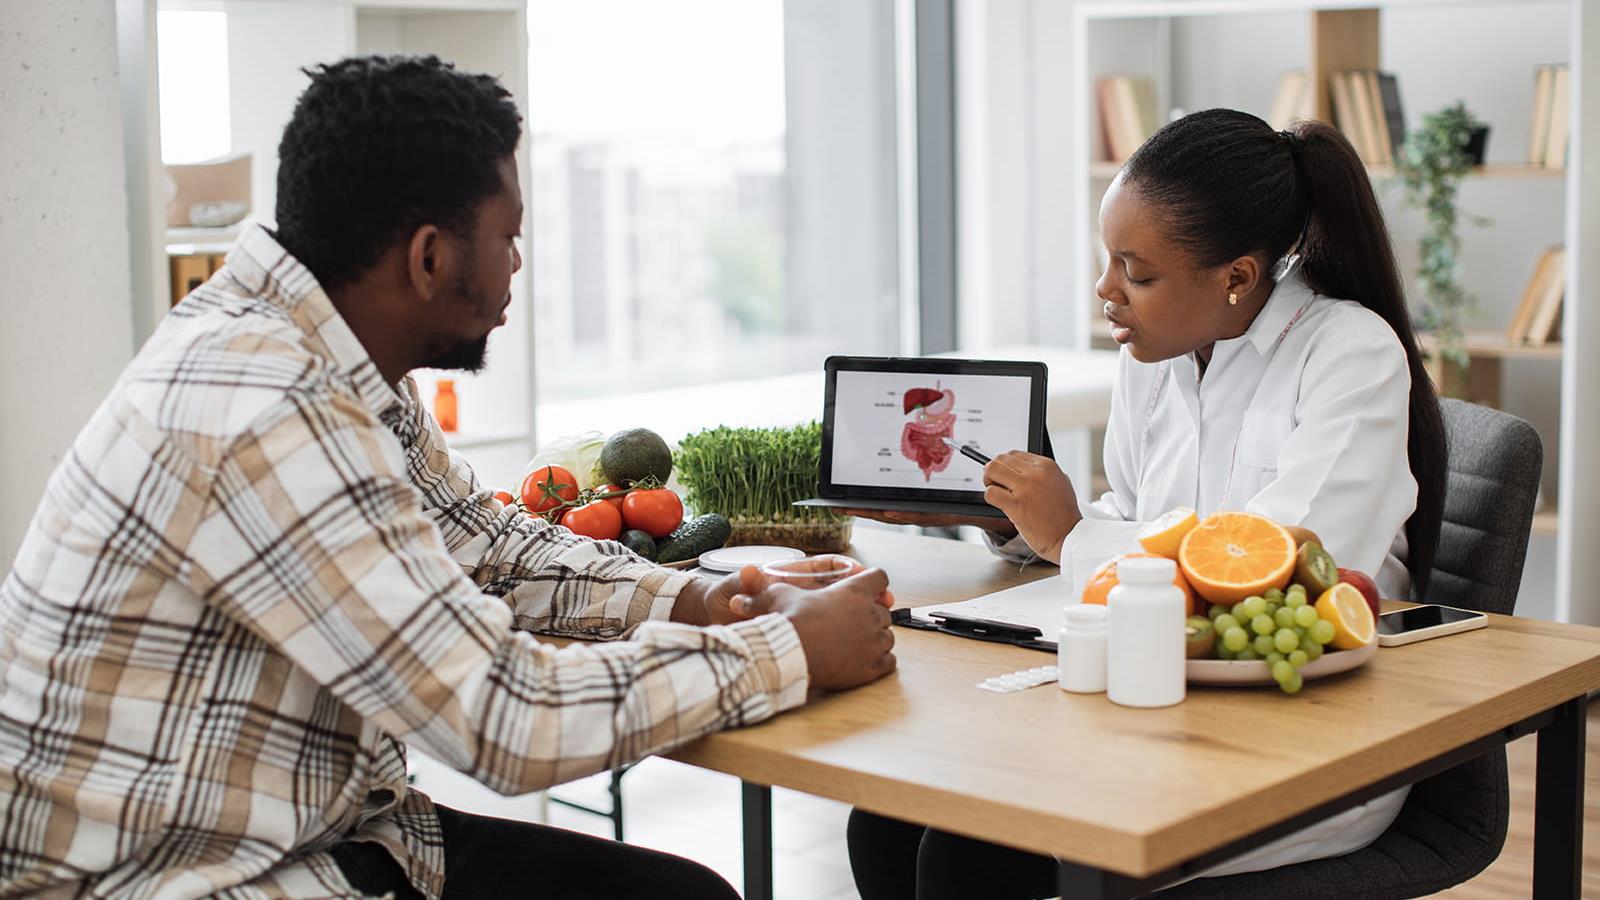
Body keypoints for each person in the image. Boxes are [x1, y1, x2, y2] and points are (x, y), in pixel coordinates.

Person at [0, 55, 897, 899]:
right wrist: (790, 650)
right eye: (507, 237)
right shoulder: (268, 407)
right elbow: (503, 719)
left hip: (319, 827)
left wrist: (699, 603)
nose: (516, 264)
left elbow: (484, 541)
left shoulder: (321, 355)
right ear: (429, 257)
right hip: (184, 875)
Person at [844, 108, 1447, 899]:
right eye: (1108, 262)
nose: (1106, 292)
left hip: (1299, 739)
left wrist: (1071, 539)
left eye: (1137, 271)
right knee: (885, 818)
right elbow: (1133, 520)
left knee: (973, 859)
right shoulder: (1154, 356)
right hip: (1150, 705)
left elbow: (1276, 573)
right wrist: (1019, 523)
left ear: (1236, 276)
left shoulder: (1349, 352)